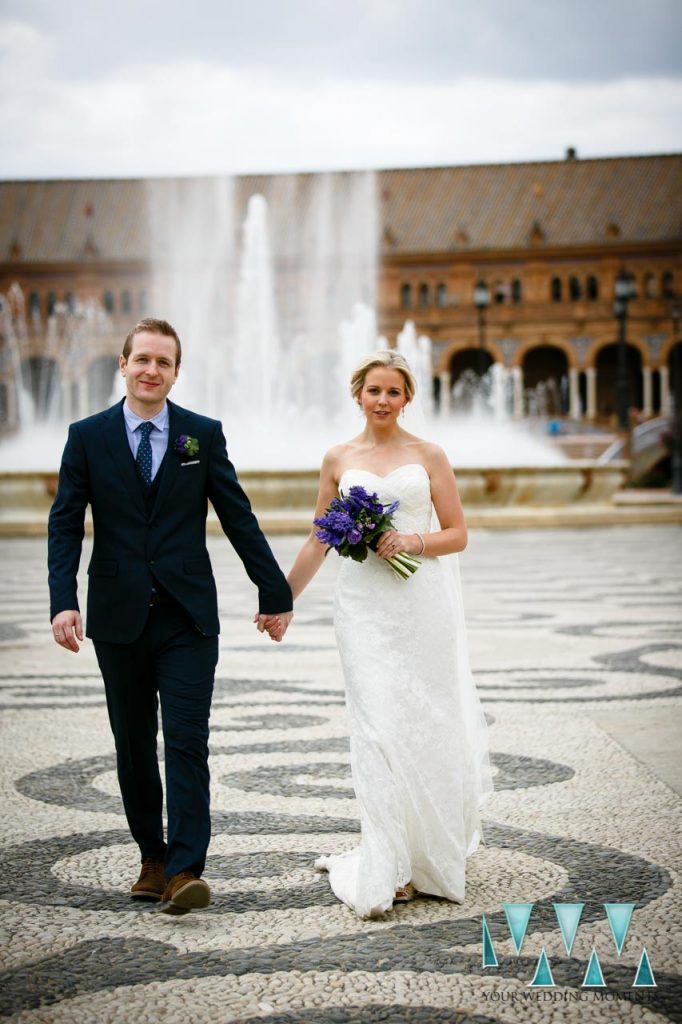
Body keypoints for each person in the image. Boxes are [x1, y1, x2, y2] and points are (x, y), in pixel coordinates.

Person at [48, 318, 293, 915]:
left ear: (176, 372)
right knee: (132, 744)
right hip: (117, 616)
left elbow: (238, 515)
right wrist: (63, 599)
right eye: (143, 360)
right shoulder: (87, 436)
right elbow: (64, 521)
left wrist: (274, 590)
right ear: (124, 366)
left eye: (164, 362)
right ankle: (151, 858)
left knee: (186, 741)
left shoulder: (200, 436)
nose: (152, 370)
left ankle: (185, 869)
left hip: (187, 618)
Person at [265, 350, 492, 918]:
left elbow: (459, 533)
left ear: (407, 397)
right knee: (377, 725)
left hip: (422, 605)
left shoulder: (429, 455)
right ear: (358, 395)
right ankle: (387, 861)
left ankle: (425, 855)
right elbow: (320, 537)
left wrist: (410, 542)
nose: (383, 401)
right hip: (363, 608)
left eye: (394, 392)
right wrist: (282, 598)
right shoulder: (339, 458)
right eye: (374, 391)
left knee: (425, 720)